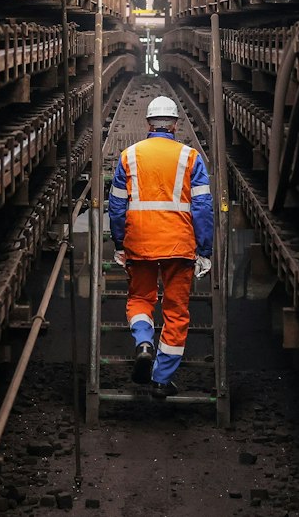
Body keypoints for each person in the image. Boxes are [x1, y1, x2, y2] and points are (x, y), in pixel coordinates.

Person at [106, 95, 213, 397]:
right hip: (180, 244)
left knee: (140, 299)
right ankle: (161, 380)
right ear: (176, 124)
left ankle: (143, 342)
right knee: (176, 313)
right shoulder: (190, 157)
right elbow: (203, 207)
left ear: (148, 124)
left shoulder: (129, 155)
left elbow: (115, 205)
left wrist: (119, 241)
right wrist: (205, 249)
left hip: (139, 242)